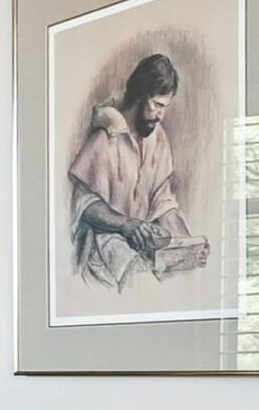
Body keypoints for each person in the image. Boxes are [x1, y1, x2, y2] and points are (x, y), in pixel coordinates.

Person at [68, 50, 200, 288]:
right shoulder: (103, 139)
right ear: (139, 96)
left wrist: (187, 246)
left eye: (165, 107)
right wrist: (127, 225)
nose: (160, 115)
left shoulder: (159, 140)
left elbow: (164, 203)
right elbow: (85, 206)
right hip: (103, 251)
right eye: (157, 105)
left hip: (143, 248)